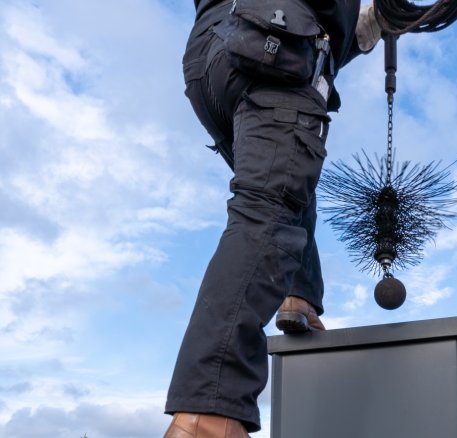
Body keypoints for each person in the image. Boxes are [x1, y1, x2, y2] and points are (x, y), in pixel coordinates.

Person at [164, 0, 381, 436]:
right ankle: (209, 416)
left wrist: (365, 27)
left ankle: (298, 294)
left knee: (286, 181)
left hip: (212, 61)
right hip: (275, 44)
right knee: (268, 210)